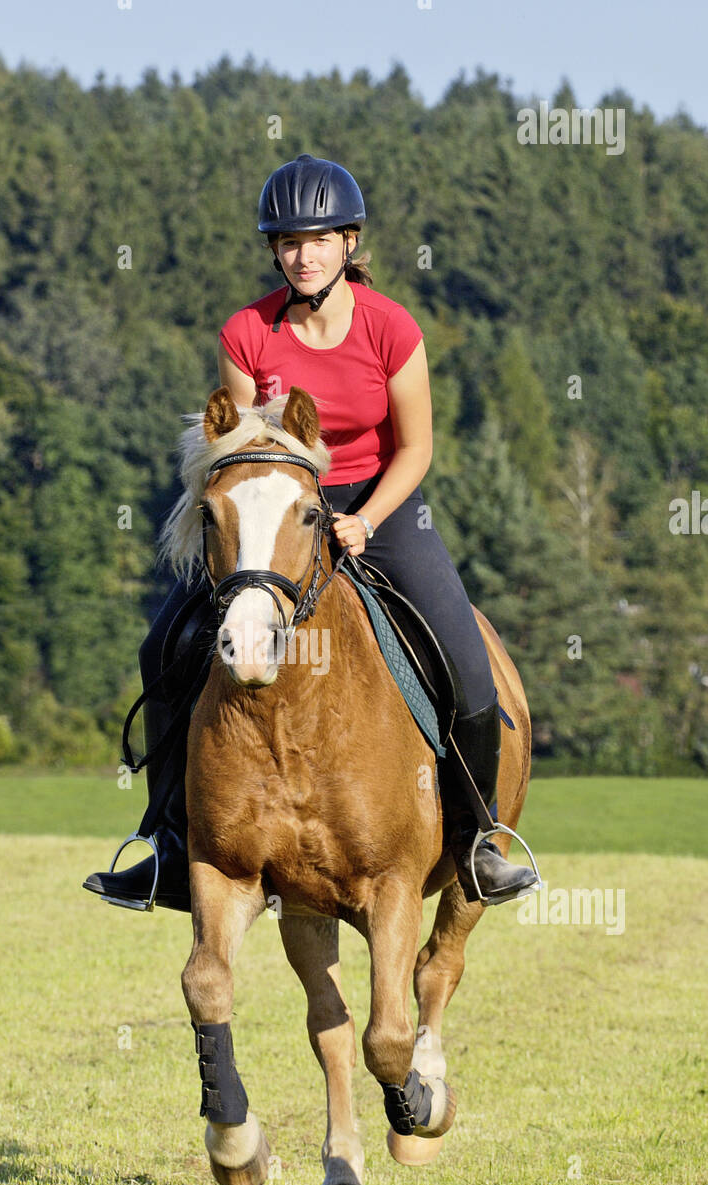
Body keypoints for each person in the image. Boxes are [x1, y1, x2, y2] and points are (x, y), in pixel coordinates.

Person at [84, 154, 540, 911]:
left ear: (349, 243)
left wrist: (364, 517)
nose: (302, 255)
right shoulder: (246, 332)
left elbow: (416, 446)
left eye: (318, 240)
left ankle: (476, 839)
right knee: (161, 647)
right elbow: (237, 447)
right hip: (273, 516)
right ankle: (166, 842)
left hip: (375, 505)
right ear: (274, 250)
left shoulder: (392, 327)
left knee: (464, 657)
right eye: (288, 242)